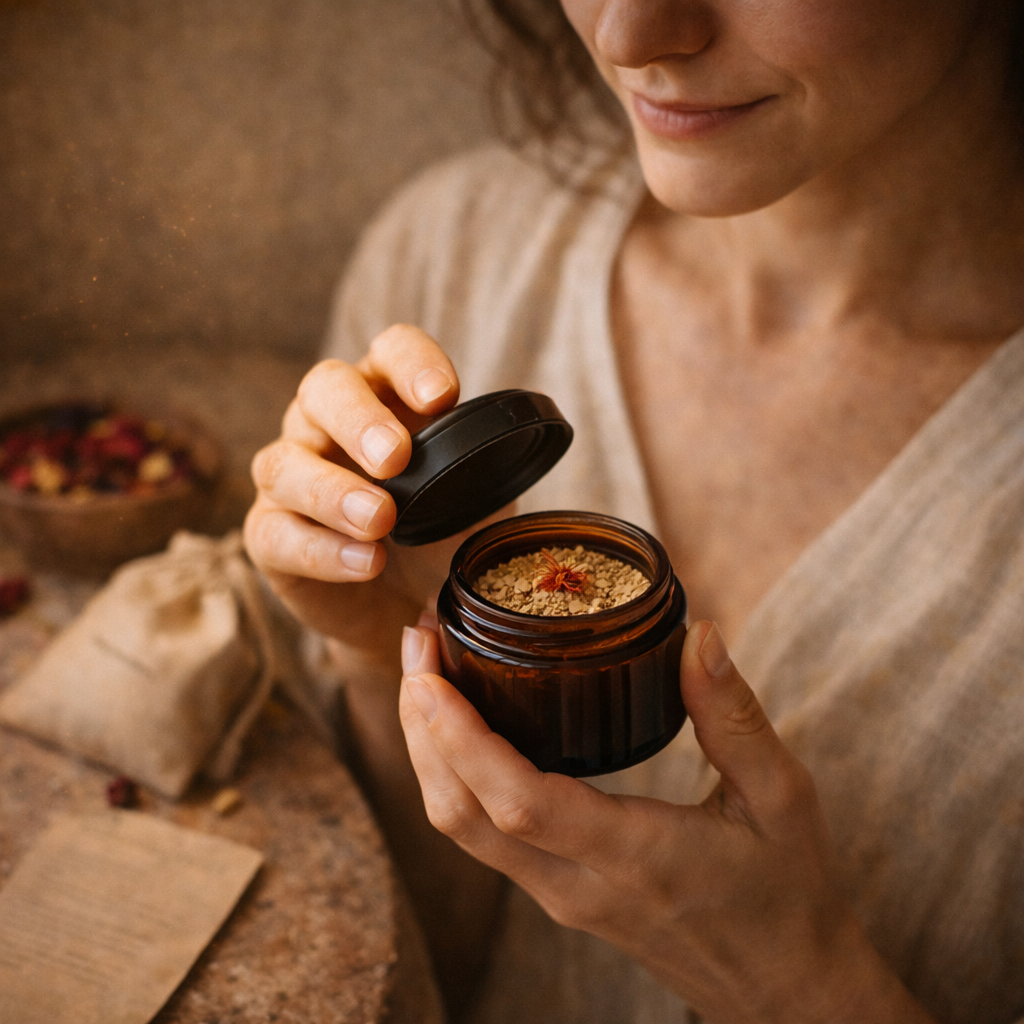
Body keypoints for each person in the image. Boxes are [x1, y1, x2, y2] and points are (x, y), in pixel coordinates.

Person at [244, 1, 1024, 1021]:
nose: (626, 34)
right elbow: (397, 967)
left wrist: (799, 988)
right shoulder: (460, 256)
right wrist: (394, 663)